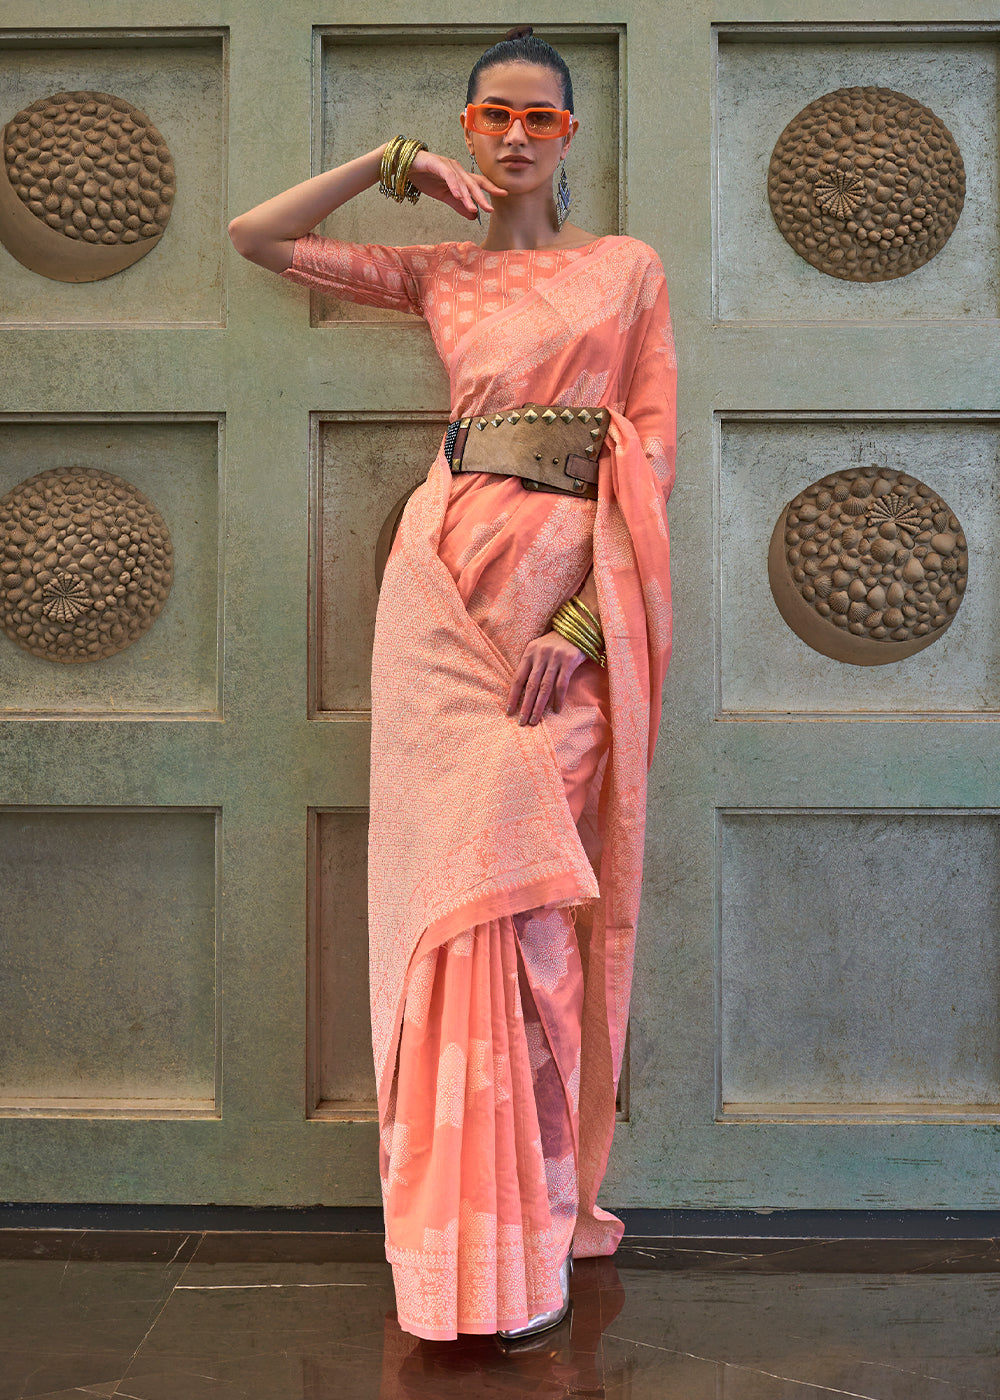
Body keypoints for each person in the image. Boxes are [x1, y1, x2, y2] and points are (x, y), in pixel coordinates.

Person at [229, 27, 676, 1344]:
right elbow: (257, 237)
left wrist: (586, 624)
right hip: (441, 601)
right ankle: (448, 1260)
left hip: (563, 619)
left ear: (571, 133)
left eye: (541, 116)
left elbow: (651, 450)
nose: (517, 134)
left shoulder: (626, 268)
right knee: (446, 914)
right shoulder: (437, 272)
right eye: (494, 115)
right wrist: (390, 164)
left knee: (528, 920)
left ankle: (529, 1238)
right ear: (468, 128)